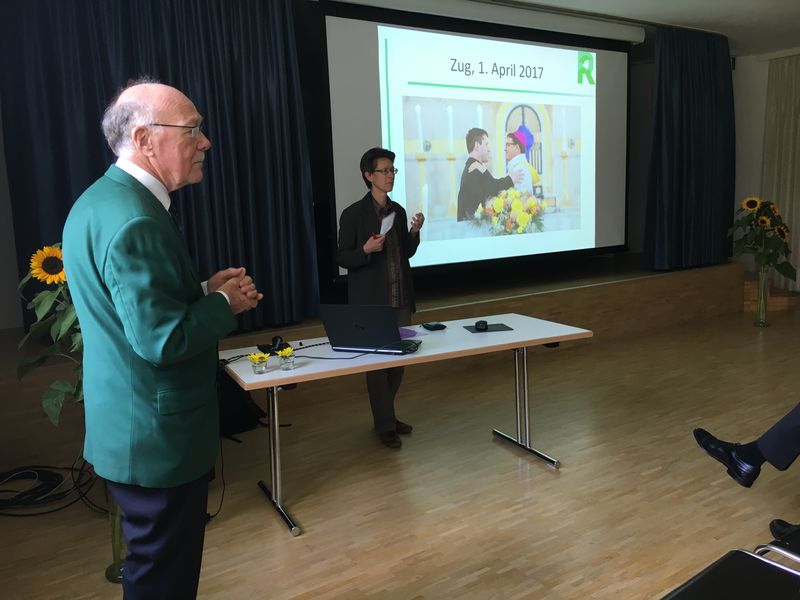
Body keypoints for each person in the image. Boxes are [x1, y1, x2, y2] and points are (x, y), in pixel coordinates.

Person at [63, 79, 263, 599]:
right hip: (156, 436)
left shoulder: (103, 200)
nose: (206, 142)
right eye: (192, 130)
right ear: (144, 139)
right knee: (163, 580)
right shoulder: (135, 219)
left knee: (156, 569)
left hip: (130, 425)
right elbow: (161, 341)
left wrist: (204, 290)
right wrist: (224, 305)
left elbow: (130, 308)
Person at [337, 147, 424, 449]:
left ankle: (386, 417)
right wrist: (365, 250)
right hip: (371, 302)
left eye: (392, 171)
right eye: (384, 171)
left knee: (398, 362)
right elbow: (342, 257)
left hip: (400, 297)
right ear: (368, 175)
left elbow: (406, 253)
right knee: (377, 366)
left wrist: (414, 233)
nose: (390, 176)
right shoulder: (352, 214)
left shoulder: (397, 211)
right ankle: (386, 425)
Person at [456, 127, 523, 221]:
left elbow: (489, 185)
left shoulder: (473, 165)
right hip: (470, 227)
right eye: (486, 144)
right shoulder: (474, 167)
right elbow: (493, 188)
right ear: (477, 146)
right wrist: (510, 179)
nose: (489, 149)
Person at [505, 131, 540, 197]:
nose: (505, 149)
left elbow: (520, 200)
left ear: (517, 148)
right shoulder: (516, 166)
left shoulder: (520, 169)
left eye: (508, 145)